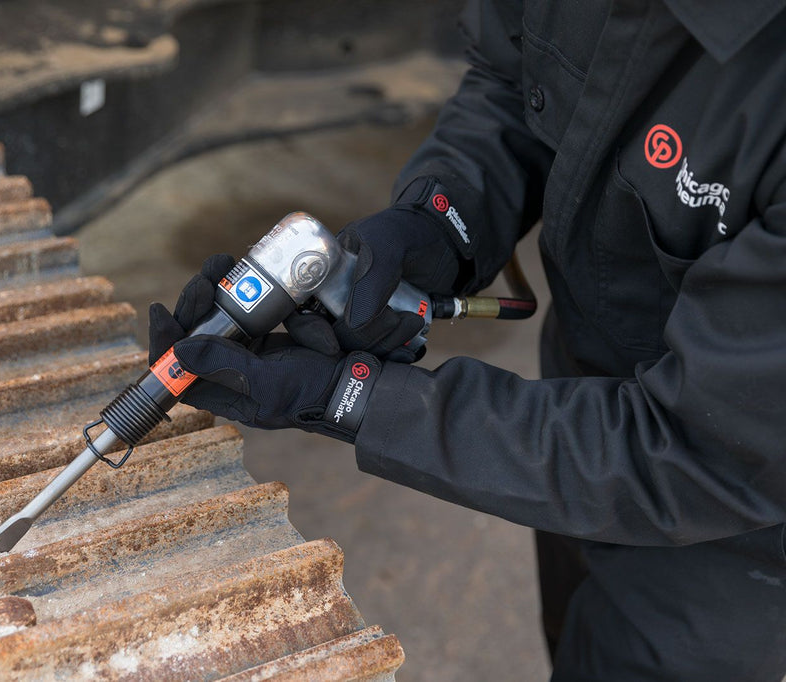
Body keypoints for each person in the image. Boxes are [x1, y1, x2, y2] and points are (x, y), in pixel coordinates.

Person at [148, 0, 786, 678]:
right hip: (577, 400)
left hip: (732, 532)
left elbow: (694, 449)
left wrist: (357, 399)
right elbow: (513, 83)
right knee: (570, 623)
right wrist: (439, 221)